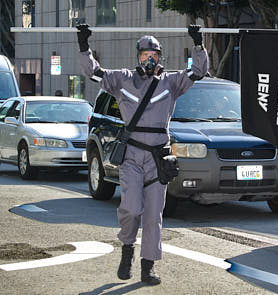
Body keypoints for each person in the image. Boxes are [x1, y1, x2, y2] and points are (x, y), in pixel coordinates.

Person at [76, 24, 208, 285]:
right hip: (132, 156)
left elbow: (199, 71)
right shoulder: (122, 79)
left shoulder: (171, 82)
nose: (149, 60)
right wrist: (83, 46)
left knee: (153, 217)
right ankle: (127, 251)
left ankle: (148, 268)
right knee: (131, 209)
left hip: (158, 158)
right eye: (145, 55)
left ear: (161, 58)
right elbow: (93, 73)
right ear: (138, 57)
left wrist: (199, 44)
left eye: (154, 56)